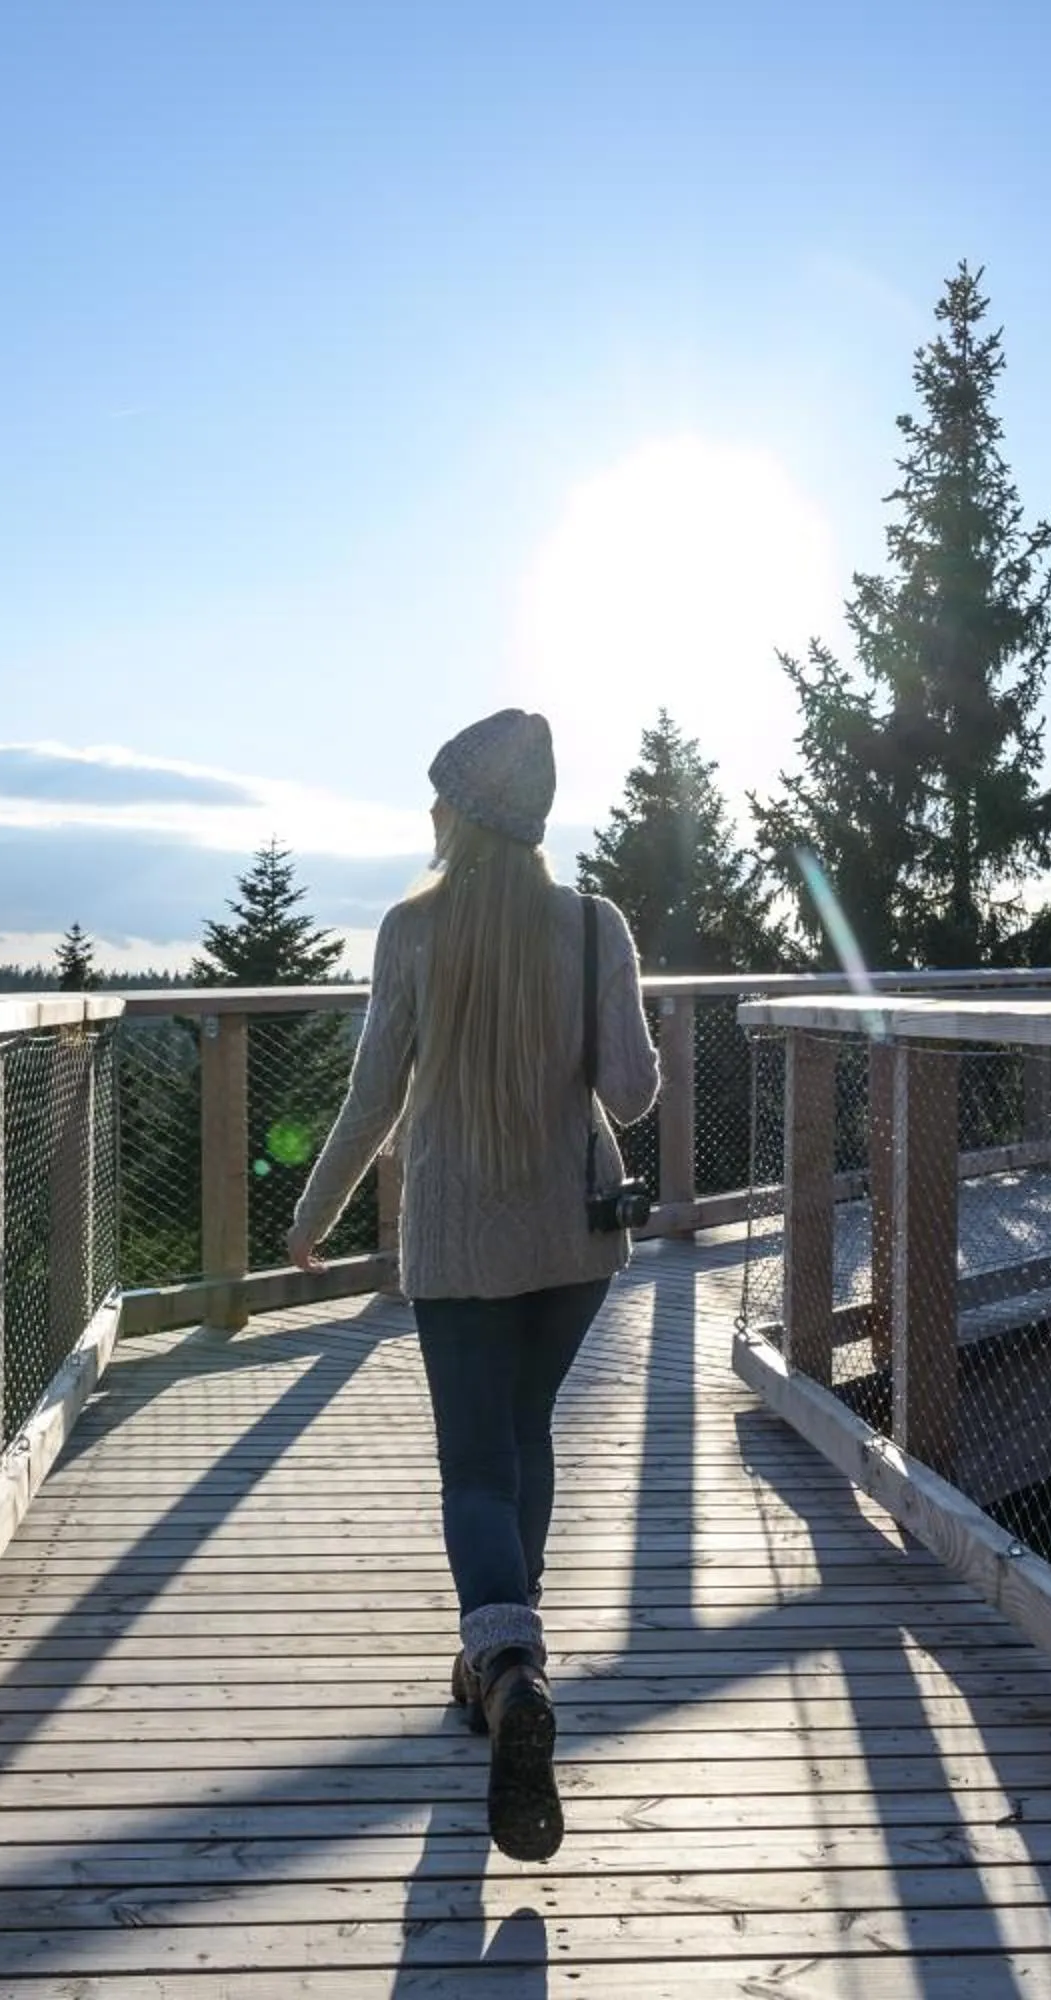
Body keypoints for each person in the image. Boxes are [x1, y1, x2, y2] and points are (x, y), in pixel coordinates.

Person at [285, 707, 659, 1863]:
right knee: (523, 1434)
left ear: (460, 812)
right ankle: (504, 1662)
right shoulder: (595, 925)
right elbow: (633, 1093)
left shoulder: (411, 929)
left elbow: (373, 1097)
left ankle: (507, 1663)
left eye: (438, 796)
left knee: (475, 1465)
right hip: (573, 1239)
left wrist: (314, 1212)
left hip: (455, 1242)